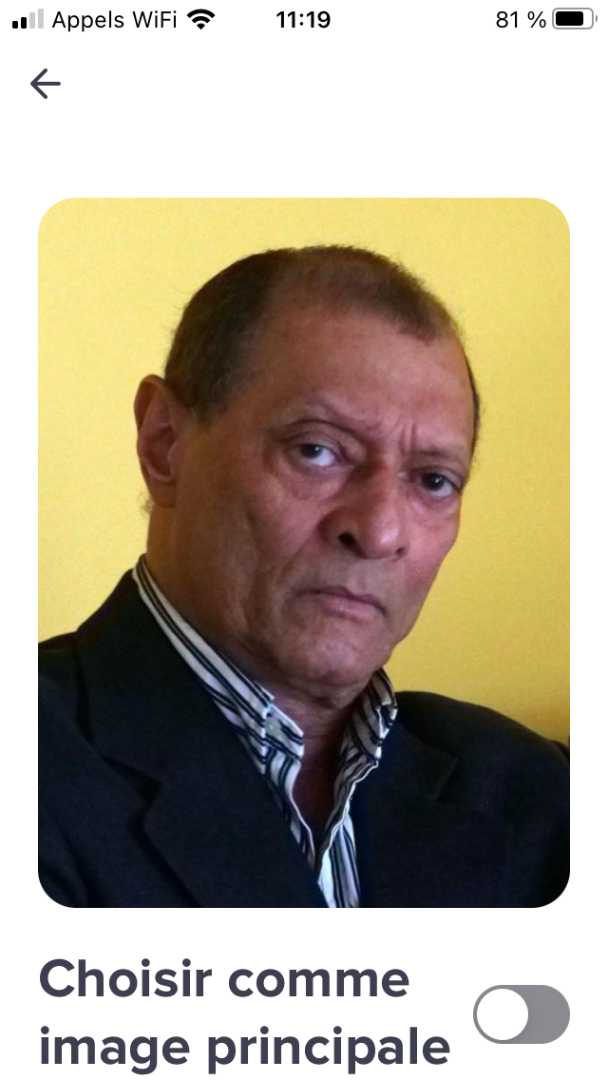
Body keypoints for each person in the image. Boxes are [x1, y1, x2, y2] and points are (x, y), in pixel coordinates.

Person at [39, 245, 569, 908]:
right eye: (316, 450)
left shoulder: (536, 794)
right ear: (165, 443)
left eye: (434, 481)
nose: (379, 531)